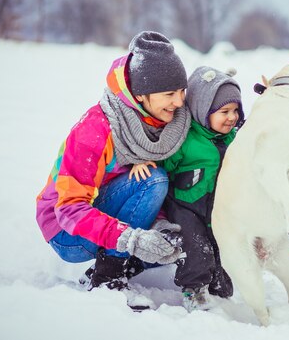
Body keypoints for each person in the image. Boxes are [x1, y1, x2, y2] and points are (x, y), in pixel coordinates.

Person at [35, 31, 191, 297]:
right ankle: (108, 278)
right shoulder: (96, 129)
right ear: (142, 95)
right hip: (67, 232)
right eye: (169, 94)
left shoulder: (166, 125)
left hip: (113, 213)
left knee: (172, 245)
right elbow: (69, 208)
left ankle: (121, 263)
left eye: (182, 91)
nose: (178, 103)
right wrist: (132, 239)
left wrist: (160, 227)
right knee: (152, 180)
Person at [131, 66, 244, 312]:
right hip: (185, 206)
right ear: (204, 111)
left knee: (221, 249)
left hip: (217, 208)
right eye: (224, 111)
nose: (232, 117)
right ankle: (193, 290)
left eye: (235, 110)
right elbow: (163, 158)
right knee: (196, 248)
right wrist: (145, 162)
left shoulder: (233, 139)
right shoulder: (186, 139)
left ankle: (217, 282)